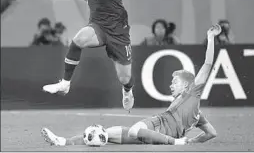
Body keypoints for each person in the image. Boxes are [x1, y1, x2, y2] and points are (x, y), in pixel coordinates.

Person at [41, 25, 221, 146]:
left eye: (175, 82)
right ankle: (63, 142)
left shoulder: (192, 93)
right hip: (157, 131)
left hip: (160, 126)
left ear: (187, 86)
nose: (171, 85)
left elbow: (207, 65)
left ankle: (174, 143)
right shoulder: (198, 115)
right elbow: (211, 133)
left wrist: (210, 38)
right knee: (107, 133)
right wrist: (192, 142)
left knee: (134, 131)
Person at [42, 0, 134, 111]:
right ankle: (65, 84)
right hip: (98, 26)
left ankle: (127, 90)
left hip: (118, 32)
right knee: (78, 39)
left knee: (124, 78)